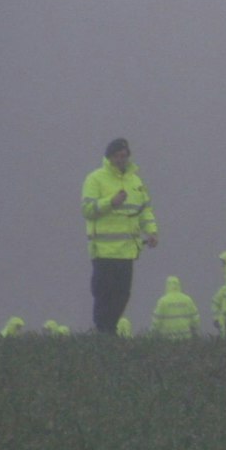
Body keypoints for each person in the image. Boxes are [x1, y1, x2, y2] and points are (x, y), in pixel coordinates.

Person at [81, 137, 159, 335]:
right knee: (103, 295)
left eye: (124, 155)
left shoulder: (136, 182)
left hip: (127, 251)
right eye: (117, 155)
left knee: (122, 295)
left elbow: (145, 210)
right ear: (109, 157)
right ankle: (103, 332)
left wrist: (151, 231)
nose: (121, 159)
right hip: (104, 252)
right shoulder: (95, 179)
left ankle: (109, 331)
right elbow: (87, 209)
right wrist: (111, 202)